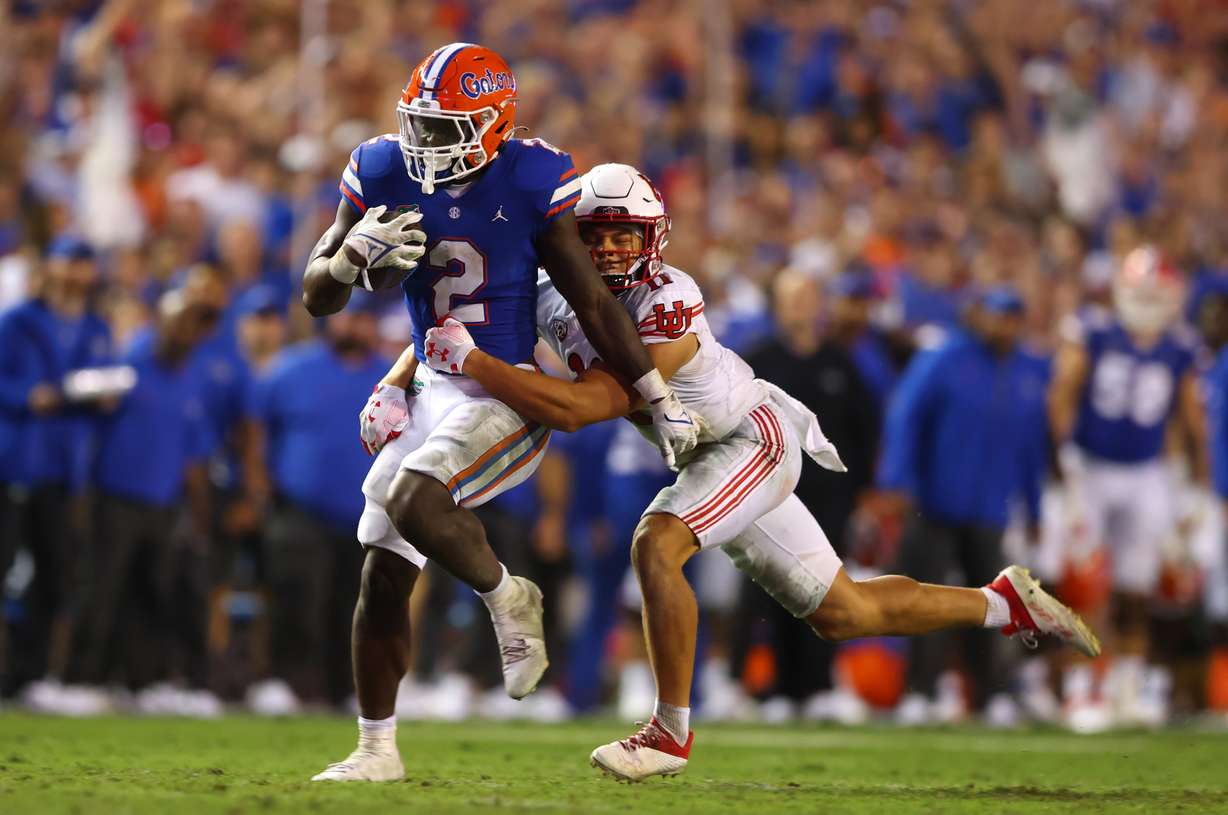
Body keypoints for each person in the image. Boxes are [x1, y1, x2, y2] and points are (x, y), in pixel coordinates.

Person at [415, 163, 1099, 782]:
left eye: (630, 235)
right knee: (845, 612)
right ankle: (1004, 602)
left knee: (657, 542)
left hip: (750, 439)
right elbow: (454, 327)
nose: (616, 249)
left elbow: (582, 407)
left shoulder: (669, 296)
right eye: (600, 234)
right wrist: (403, 381)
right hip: (710, 454)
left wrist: (474, 364)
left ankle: (668, 732)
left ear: (656, 237)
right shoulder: (547, 295)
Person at [301, 43, 698, 781]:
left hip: (504, 391)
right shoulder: (381, 167)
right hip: (430, 383)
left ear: (493, 127)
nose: (424, 144)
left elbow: (592, 300)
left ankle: (508, 595)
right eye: (418, 124)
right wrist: (346, 263)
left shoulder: (533, 177)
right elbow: (315, 295)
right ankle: (376, 748)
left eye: (445, 128)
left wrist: (656, 393)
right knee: (382, 572)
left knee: (412, 495)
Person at [1047, 246, 1207, 729]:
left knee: (1139, 588)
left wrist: (1192, 488)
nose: (1149, 302)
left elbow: (1190, 422)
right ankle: (1079, 689)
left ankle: (1128, 687)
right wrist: (1064, 469)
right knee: (1082, 584)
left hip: (1145, 472)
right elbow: (1061, 397)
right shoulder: (1093, 331)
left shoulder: (1179, 346)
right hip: (1091, 467)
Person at [877, 286, 1052, 725]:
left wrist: (1034, 508)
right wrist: (896, 480)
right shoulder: (946, 358)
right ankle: (920, 689)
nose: (1004, 325)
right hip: (935, 502)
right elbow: (906, 416)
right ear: (982, 316)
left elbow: (1033, 448)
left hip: (991, 508)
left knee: (990, 605)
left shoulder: (1027, 373)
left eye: (1012, 317)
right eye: (998, 316)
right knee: (927, 601)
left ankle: (990, 693)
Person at [247, 297, 390, 712]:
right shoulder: (290, 369)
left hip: (366, 512)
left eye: (365, 319)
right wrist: (258, 494)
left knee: (352, 603)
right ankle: (282, 681)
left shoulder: (391, 376)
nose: (356, 327)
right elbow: (255, 435)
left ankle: (340, 690)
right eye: (350, 318)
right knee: (295, 596)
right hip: (298, 506)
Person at [73, 290, 216, 700]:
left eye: (190, 325)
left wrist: (199, 512)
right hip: (115, 497)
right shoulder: (128, 365)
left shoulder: (192, 378)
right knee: (101, 591)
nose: (183, 332)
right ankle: (80, 680)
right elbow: (91, 427)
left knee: (151, 594)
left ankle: (140, 682)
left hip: (163, 503)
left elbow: (195, 454)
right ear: (160, 323)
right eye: (177, 322)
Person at [0, 235, 112, 702]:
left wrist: (103, 396)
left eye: (84, 266)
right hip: (15, 462)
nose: (76, 276)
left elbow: (98, 384)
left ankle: (29, 679)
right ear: (51, 268)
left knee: (53, 575)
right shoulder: (19, 320)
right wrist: (28, 396)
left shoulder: (94, 327)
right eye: (69, 265)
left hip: (64, 469)